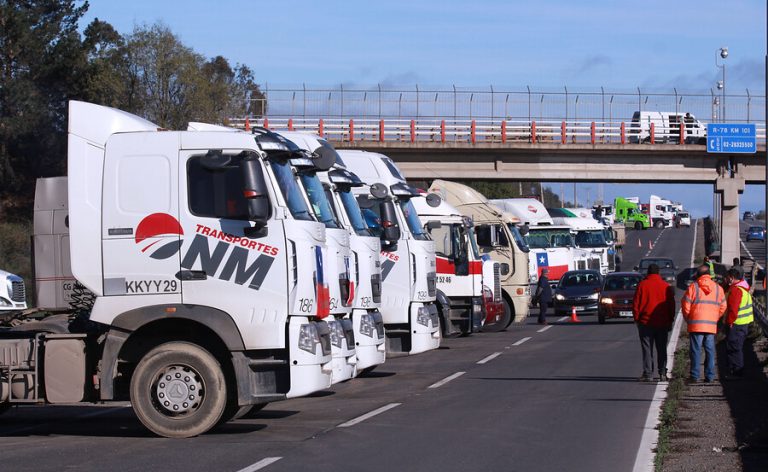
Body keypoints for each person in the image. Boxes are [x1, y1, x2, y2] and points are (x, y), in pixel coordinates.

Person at [681, 265, 727, 383]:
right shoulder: (718, 288)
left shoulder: (693, 287)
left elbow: (686, 306)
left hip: (696, 324)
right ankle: (710, 376)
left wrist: (689, 319)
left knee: (696, 351)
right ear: (709, 274)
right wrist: (715, 317)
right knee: (710, 350)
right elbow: (723, 306)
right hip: (711, 325)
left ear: (698, 275)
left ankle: (695, 376)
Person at [633, 264, 676, 381]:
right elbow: (671, 305)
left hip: (645, 322)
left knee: (647, 349)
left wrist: (637, 319)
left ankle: (648, 374)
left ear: (648, 273)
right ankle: (662, 372)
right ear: (658, 273)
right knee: (661, 348)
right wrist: (670, 319)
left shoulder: (642, 285)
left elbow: (636, 304)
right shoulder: (665, 286)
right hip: (662, 323)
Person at [724, 267, 754, 379]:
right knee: (737, 347)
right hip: (743, 323)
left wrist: (729, 321)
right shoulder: (744, 288)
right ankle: (736, 371)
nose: (726, 279)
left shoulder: (736, 290)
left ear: (732, 278)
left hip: (736, 324)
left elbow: (733, 309)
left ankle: (736, 372)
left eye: (727, 278)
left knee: (734, 348)